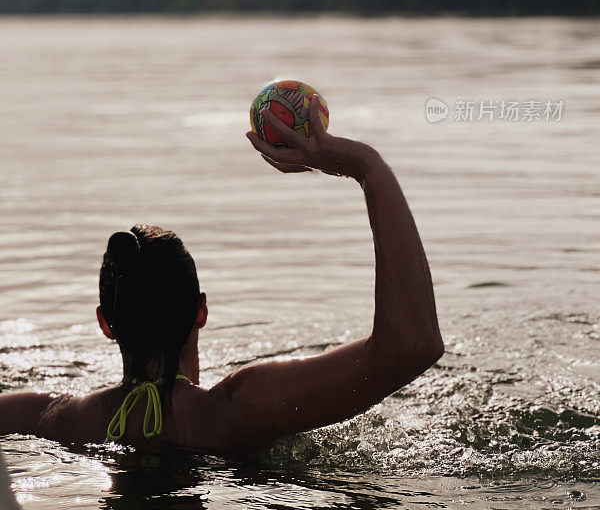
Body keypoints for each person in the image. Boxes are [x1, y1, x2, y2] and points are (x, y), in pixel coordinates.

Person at [0, 95, 443, 453]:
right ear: (201, 311)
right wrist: (367, 167)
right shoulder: (233, 411)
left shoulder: (62, 421)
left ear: (105, 323)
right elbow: (412, 345)